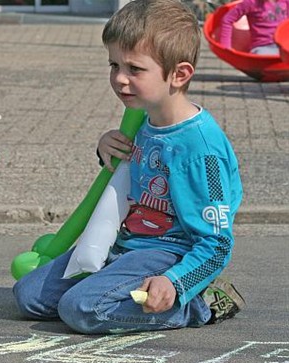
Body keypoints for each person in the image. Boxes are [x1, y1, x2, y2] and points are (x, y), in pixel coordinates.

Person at [13, 0, 245, 334]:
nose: (120, 79)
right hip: (124, 244)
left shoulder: (200, 151)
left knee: (81, 309)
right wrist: (105, 146)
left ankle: (198, 303)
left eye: (134, 69)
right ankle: (129, 290)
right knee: (29, 296)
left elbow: (217, 243)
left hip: (168, 254)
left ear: (179, 74)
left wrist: (176, 283)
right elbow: (127, 174)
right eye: (114, 65)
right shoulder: (145, 121)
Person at [219, 0, 289, 55]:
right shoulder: (251, 3)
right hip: (263, 46)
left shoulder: (285, 1)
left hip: (284, 44)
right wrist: (226, 46)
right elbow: (227, 20)